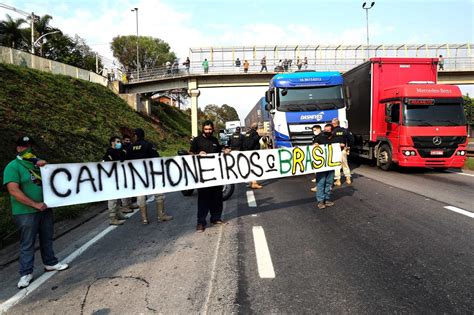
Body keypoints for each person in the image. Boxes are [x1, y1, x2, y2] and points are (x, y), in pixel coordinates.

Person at [3, 136, 69, 289]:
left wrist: (46, 168)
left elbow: (53, 181)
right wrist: (34, 204)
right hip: (25, 211)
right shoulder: (13, 167)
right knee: (28, 242)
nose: (28, 149)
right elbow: (13, 190)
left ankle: (50, 262)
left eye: (30, 146)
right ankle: (25, 273)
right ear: (18, 148)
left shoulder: (39, 164)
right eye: (25, 146)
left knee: (47, 236)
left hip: (45, 208)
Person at [190, 120, 230, 232]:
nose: (208, 131)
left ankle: (216, 218)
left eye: (210, 129)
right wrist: (198, 154)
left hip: (215, 175)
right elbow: (191, 153)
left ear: (213, 129)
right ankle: (200, 223)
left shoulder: (214, 140)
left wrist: (225, 151)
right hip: (203, 176)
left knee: (217, 198)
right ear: (202, 128)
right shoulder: (197, 140)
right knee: (203, 199)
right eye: (206, 129)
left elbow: (219, 152)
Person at [130, 128, 173, 224]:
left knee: (141, 197)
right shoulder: (148, 145)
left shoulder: (131, 147)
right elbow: (156, 158)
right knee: (159, 194)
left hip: (138, 175)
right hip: (151, 174)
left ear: (136, 136)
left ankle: (144, 219)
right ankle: (161, 215)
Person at [103, 136, 129, 225]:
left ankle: (118, 214)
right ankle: (112, 218)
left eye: (120, 142)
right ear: (112, 143)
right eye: (117, 142)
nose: (119, 143)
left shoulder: (118, 151)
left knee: (117, 197)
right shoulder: (109, 153)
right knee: (112, 198)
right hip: (111, 178)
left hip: (118, 177)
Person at [314, 125, 336, 209]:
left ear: (332, 131)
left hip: (331, 164)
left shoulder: (335, 139)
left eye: (328, 130)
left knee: (329, 182)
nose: (326, 131)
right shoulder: (319, 138)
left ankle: (326, 199)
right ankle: (320, 201)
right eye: (325, 130)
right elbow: (314, 145)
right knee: (321, 182)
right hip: (321, 165)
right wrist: (315, 145)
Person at [332, 118, 353, 186]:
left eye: (332, 123)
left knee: (337, 165)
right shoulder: (344, 130)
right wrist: (347, 147)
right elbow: (351, 139)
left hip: (335, 151)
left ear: (335, 124)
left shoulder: (332, 132)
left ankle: (338, 180)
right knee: (345, 164)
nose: (332, 124)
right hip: (343, 150)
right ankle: (348, 179)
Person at [243, 123, 262, 189]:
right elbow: (255, 141)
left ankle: (250, 183)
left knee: (250, 167)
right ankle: (254, 183)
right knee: (254, 168)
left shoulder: (247, 133)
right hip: (253, 152)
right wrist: (259, 136)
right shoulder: (255, 133)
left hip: (247, 152)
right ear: (256, 127)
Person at [310, 125, 322, 192]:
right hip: (316, 155)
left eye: (314, 130)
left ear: (318, 129)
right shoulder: (316, 136)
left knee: (319, 173)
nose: (313, 131)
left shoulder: (322, 136)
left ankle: (319, 187)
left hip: (320, 156)